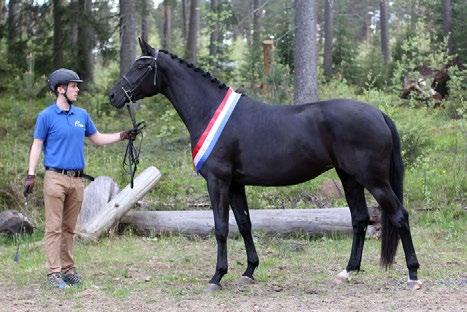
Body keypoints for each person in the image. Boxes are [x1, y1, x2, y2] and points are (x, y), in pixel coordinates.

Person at [23, 68, 137, 289]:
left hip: (77, 181)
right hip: (55, 178)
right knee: (54, 227)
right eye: (74, 85)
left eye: (77, 86)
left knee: (70, 228)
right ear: (61, 89)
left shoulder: (82, 115)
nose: (77, 89)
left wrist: (122, 135)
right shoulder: (46, 116)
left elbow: (97, 138)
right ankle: (54, 273)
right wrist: (30, 173)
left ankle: (68, 270)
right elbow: (37, 145)